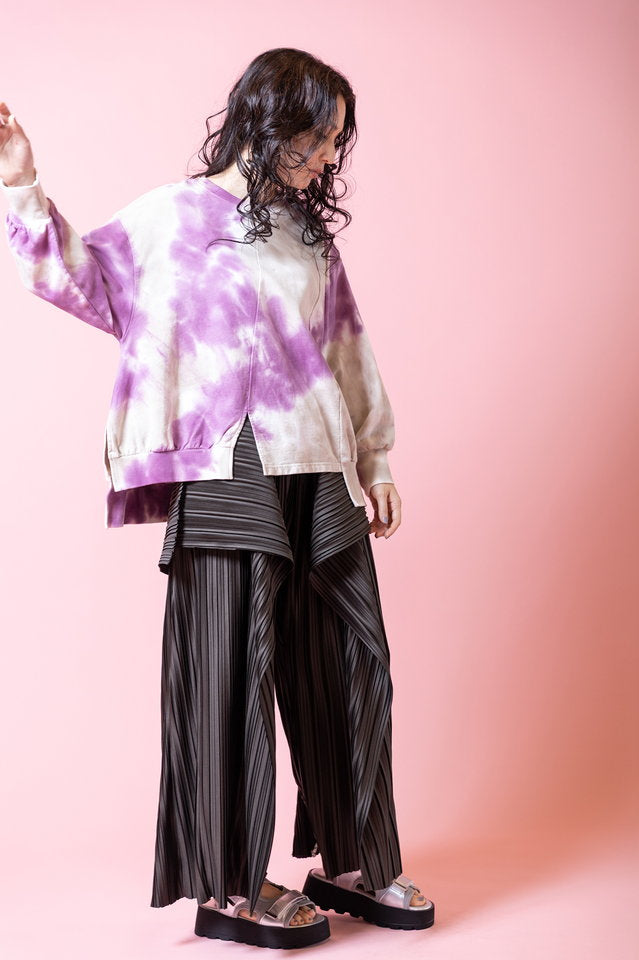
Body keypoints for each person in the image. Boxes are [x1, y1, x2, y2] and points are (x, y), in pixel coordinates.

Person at [0, 47, 433, 950]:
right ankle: (231, 885)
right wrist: (19, 180)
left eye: (336, 142)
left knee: (351, 664)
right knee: (226, 676)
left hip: (317, 464)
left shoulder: (308, 239)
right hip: (227, 463)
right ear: (272, 121)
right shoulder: (171, 215)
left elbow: (346, 349)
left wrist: (377, 461)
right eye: (321, 137)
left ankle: (354, 859)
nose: (330, 157)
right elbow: (76, 276)